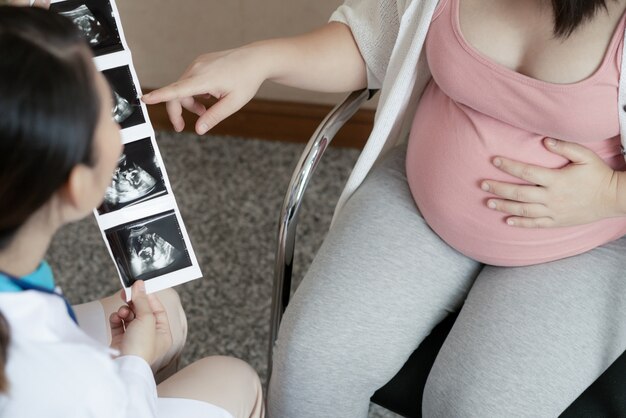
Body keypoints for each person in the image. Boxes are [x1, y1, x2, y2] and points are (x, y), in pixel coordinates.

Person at [143, 0, 626, 416]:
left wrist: (606, 192)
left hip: (582, 242)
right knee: (313, 363)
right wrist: (260, 60)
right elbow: (371, 42)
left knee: (475, 406)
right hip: (421, 197)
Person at [0, 6, 264, 418]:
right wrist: (134, 365)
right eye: (108, 114)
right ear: (79, 186)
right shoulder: (58, 374)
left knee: (164, 309)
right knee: (234, 377)